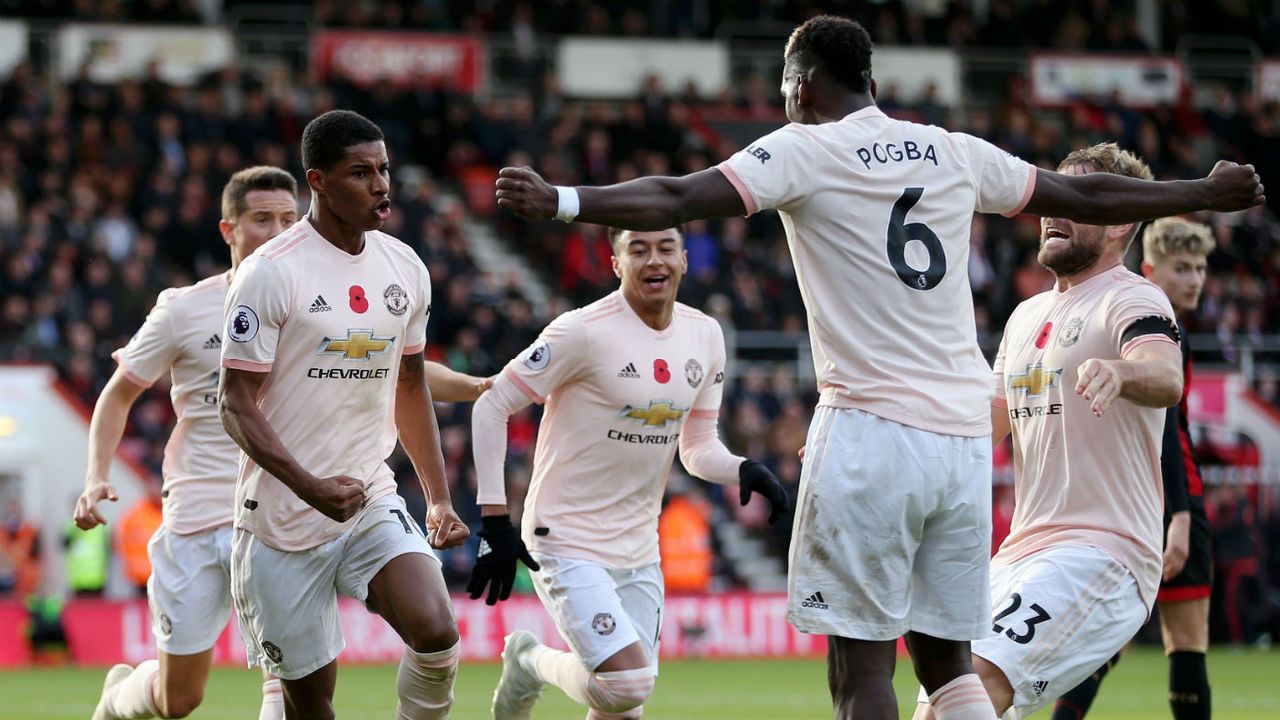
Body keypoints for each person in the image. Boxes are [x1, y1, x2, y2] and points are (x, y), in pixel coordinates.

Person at [494, 15, 1263, 720]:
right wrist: (1202, 191)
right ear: (874, 84)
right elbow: (1086, 192)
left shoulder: (804, 148)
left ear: (799, 87)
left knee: (862, 674)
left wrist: (562, 199)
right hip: (960, 445)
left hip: (870, 427)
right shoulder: (953, 150)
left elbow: (674, 196)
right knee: (953, 673)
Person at [911, 143, 1190, 720]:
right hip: (1021, 551)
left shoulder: (1132, 296)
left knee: (980, 680)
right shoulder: (1025, 316)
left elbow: (1167, 374)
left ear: (1120, 223)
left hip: (1103, 553)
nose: (1052, 210)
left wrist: (1121, 370)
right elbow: (982, 425)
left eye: (1076, 199)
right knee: (943, 701)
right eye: (1051, 196)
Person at [468, 225, 788, 720]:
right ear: (616, 264)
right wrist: (493, 520)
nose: (652, 260)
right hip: (566, 533)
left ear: (684, 258)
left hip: (638, 543)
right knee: (626, 683)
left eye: (664, 248)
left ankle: (533, 664)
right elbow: (491, 406)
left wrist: (743, 468)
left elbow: (697, 448)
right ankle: (529, 660)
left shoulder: (705, 335)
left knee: (622, 707)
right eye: (637, 250)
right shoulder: (582, 331)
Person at [217, 110, 470, 720]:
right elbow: (235, 404)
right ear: (319, 181)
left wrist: (436, 497)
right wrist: (309, 487)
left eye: (384, 169)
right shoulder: (271, 273)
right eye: (361, 173)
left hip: (367, 495)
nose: (381, 185)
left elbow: (409, 385)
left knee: (437, 632)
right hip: (280, 519)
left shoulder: (405, 267)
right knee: (312, 708)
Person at [1051, 217, 1218, 720]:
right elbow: (1168, 433)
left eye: (1201, 268)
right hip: (1166, 500)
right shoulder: (1154, 325)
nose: (1195, 279)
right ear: (1149, 269)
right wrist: (1182, 516)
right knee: (1185, 641)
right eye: (1182, 268)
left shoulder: (1117, 316)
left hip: (1125, 500)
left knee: (1105, 643)